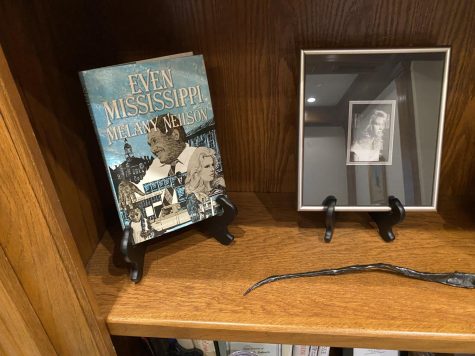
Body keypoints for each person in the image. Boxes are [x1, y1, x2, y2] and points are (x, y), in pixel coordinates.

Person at [139, 114, 196, 184]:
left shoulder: (200, 156)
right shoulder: (155, 164)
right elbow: (142, 188)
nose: (152, 150)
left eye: (155, 141)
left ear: (175, 135)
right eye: (150, 145)